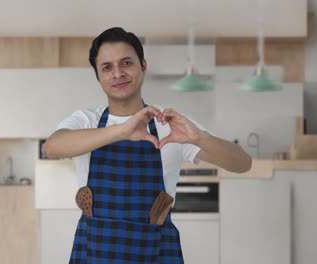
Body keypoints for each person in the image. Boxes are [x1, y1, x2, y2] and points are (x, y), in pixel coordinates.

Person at [44, 27, 251, 264]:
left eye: (127, 62)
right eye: (107, 67)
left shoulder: (169, 123)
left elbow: (243, 164)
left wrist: (200, 138)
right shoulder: (86, 120)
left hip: (157, 253)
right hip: (94, 251)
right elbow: (52, 147)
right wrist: (122, 130)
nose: (118, 73)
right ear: (98, 76)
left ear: (143, 65)